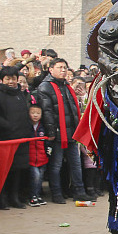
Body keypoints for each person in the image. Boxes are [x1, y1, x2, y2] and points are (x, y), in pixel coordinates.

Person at [37, 58, 88, 204]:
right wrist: (52, 132)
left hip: (71, 132)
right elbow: (47, 112)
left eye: (65, 67)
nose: (63, 70)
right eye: (60, 67)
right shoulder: (45, 87)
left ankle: (80, 191)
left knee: (76, 163)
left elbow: (73, 109)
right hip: (58, 133)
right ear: (51, 69)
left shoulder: (67, 86)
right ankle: (56, 193)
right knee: (56, 165)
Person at [0, 66, 34, 209]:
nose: (11, 82)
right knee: (4, 170)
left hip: (21, 138)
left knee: (18, 170)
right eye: (7, 79)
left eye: (13, 79)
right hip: (5, 138)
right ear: (1, 80)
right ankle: (1, 199)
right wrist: (8, 125)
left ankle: (14, 197)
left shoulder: (20, 93)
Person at [27, 102, 49, 206]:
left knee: (40, 177)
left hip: (42, 157)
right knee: (35, 176)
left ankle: (38, 195)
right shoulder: (27, 127)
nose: (35, 115)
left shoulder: (43, 127)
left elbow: (47, 144)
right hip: (31, 158)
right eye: (33, 113)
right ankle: (32, 196)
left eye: (38, 113)